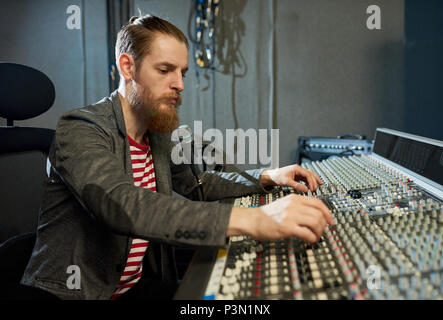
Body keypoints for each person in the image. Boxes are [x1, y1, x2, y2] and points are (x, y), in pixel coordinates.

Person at [21, 14, 333, 300]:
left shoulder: (156, 132)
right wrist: (257, 219)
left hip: (136, 288)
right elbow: (122, 205)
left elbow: (198, 184)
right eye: (165, 70)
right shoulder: (80, 128)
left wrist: (268, 177)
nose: (180, 85)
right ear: (127, 66)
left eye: (182, 72)